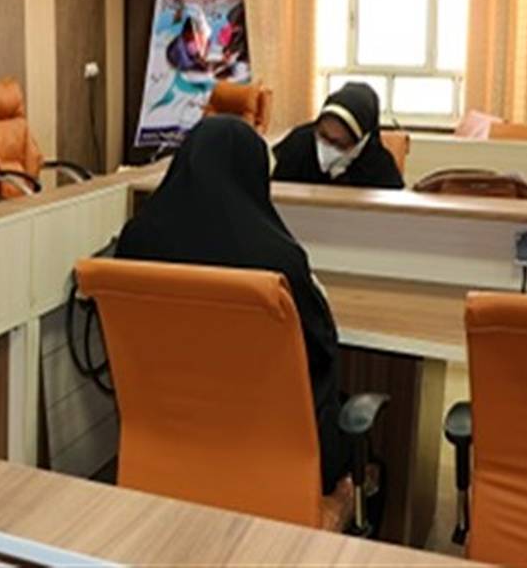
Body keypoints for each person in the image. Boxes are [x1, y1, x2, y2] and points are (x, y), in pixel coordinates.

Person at [114, 116, 348, 494]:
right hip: (270, 454)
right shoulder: (278, 259)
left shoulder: (135, 240)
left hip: (168, 447)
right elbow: (319, 346)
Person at [272, 82, 405, 189]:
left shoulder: (379, 166)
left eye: (339, 144)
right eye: (322, 135)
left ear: (361, 142)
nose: (326, 147)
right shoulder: (298, 145)